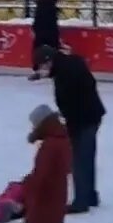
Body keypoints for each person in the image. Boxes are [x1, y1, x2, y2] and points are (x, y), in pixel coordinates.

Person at [35, 44, 106, 213]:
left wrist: (67, 124)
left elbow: (68, 101)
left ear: (49, 61)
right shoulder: (72, 62)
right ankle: (90, 195)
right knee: (87, 157)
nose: (43, 70)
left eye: (43, 66)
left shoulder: (63, 75)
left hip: (82, 119)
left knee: (78, 160)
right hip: (93, 114)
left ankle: (81, 201)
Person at [29, 0, 61, 79]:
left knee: (37, 50)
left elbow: (38, 17)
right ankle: (55, 71)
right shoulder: (52, 1)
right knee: (54, 50)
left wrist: (34, 28)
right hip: (52, 30)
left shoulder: (41, 1)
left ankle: (37, 71)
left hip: (42, 30)